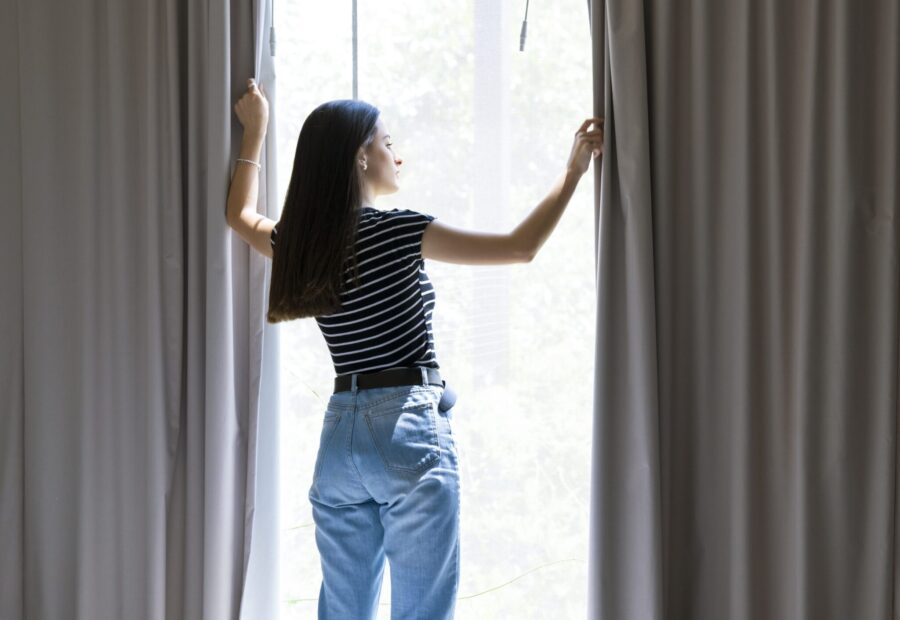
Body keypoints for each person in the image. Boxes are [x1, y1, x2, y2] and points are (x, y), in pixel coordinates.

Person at [226, 78, 603, 619]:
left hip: (339, 439)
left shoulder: (299, 245)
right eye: (387, 143)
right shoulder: (401, 232)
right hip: (406, 427)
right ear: (360, 157)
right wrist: (573, 172)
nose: (397, 155)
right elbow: (520, 247)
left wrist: (254, 134)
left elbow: (238, 215)